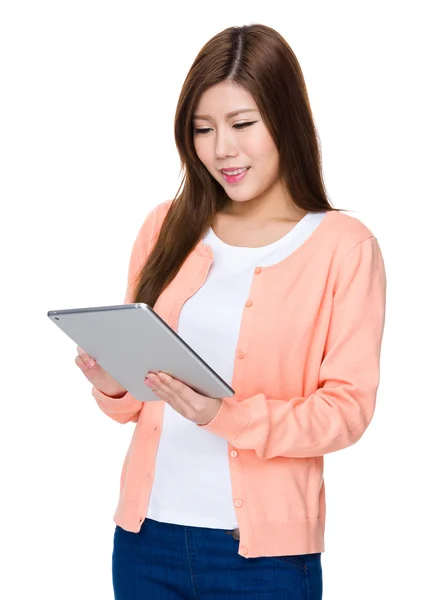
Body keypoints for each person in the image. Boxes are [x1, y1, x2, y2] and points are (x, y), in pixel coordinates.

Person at [75, 23, 386, 600]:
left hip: (264, 559)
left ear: (286, 120)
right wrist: (112, 382)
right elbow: (135, 405)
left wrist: (227, 415)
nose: (222, 149)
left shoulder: (344, 246)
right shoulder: (164, 226)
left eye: (243, 124)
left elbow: (347, 410)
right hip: (147, 540)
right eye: (203, 129)